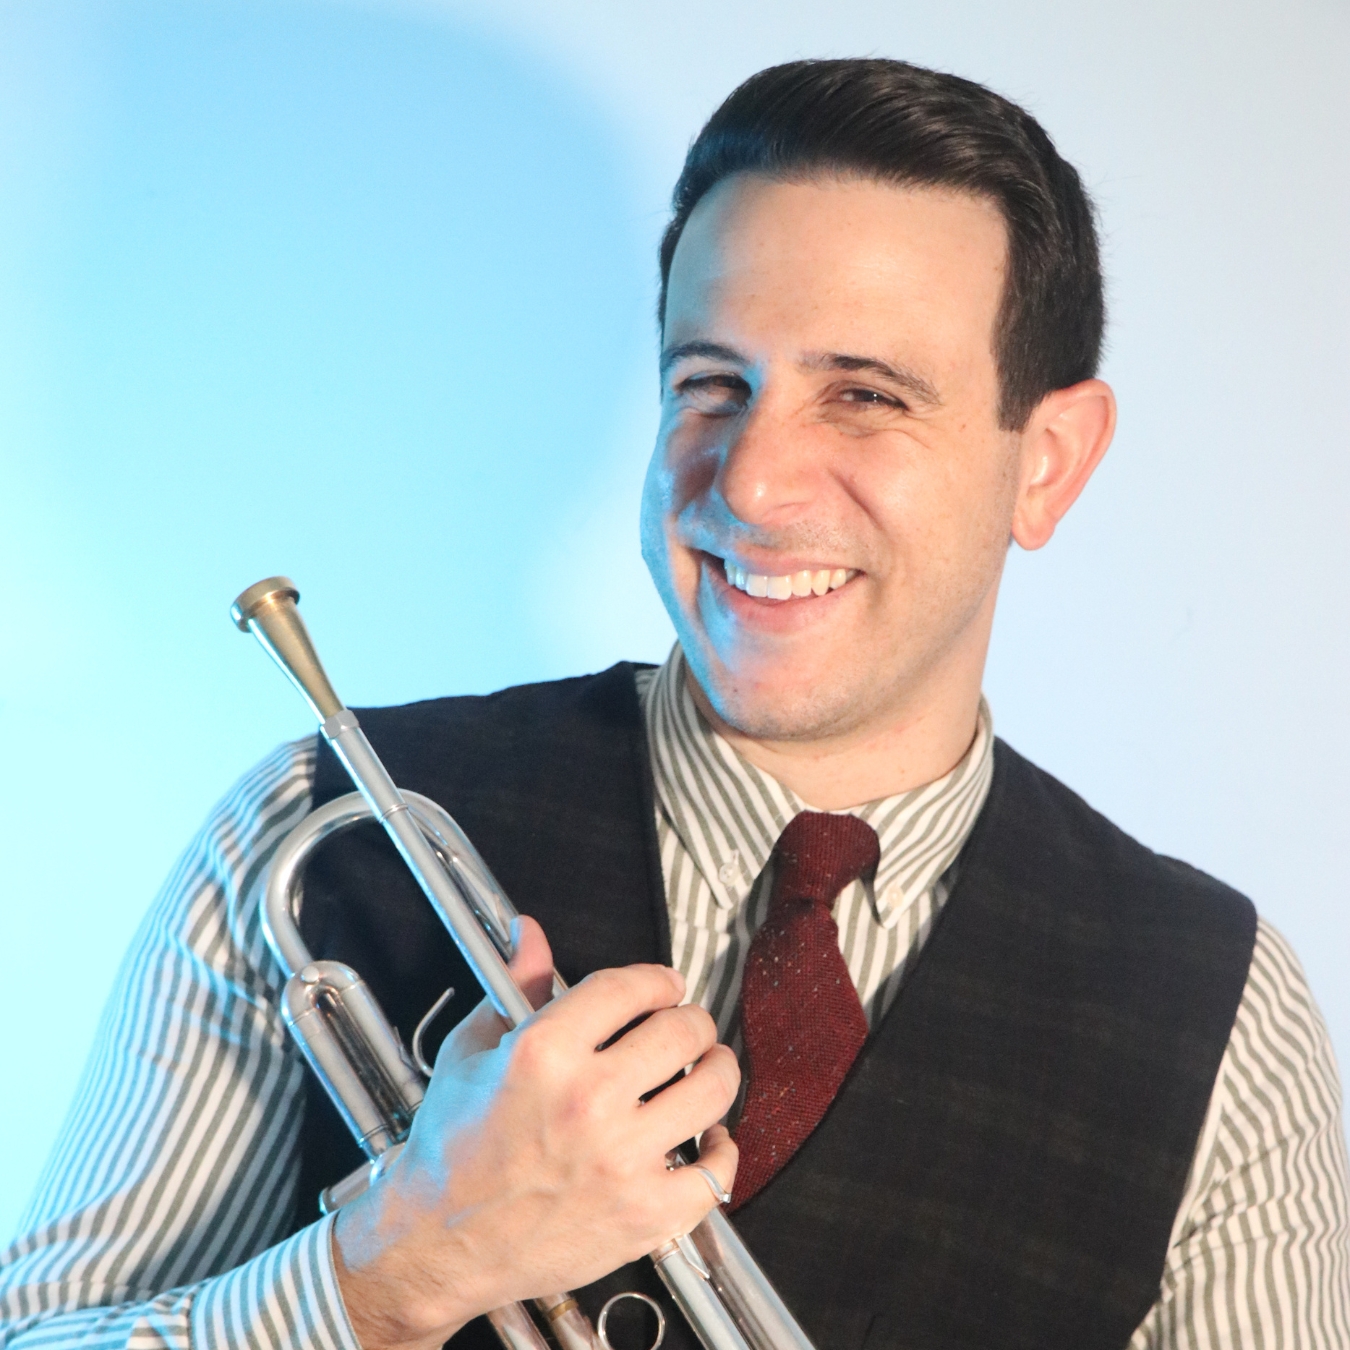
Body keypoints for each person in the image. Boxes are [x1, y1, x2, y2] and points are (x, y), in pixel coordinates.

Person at [1, 57, 1347, 1350]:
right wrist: (406, 1260)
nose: (751, 482)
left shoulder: (1218, 1008)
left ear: (1044, 463)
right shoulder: (316, 834)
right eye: (713, 383)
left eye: (863, 395)